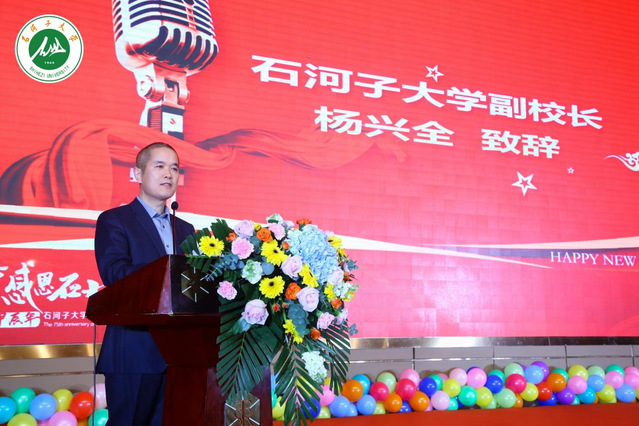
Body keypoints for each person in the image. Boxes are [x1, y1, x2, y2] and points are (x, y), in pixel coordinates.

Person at [94, 142, 195, 425]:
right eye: (159, 166)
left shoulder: (185, 229)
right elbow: (114, 273)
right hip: (133, 351)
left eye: (174, 168)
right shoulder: (115, 220)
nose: (168, 174)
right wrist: (170, 272)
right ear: (137, 174)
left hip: (180, 355)